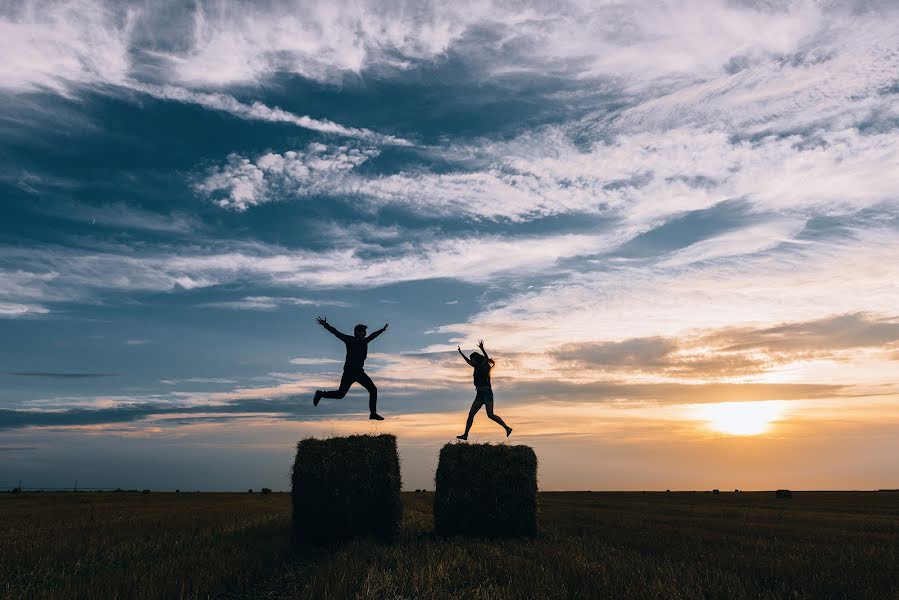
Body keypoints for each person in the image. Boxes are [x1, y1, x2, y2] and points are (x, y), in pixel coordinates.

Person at [312, 316, 388, 420]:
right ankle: (321, 394)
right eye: (362, 332)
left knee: (373, 390)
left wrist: (382, 330)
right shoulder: (349, 340)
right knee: (340, 395)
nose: (365, 333)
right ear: (357, 332)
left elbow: (373, 335)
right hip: (349, 372)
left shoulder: (365, 342)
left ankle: (373, 413)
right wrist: (326, 325)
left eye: (365, 332)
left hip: (359, 372)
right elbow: (336, 333)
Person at [456, 339, 512, 440]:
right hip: (479, 394)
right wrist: (461, 353)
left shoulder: (483, 366)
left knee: (490, 415)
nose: (471, 361)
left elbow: (486, 359)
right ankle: (465, 435)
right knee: (471, 414)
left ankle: (507, 428)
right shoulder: (476, 366)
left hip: (487, 393)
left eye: (472, 359)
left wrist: (482, 349)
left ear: (476, 359)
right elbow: (468, 362)